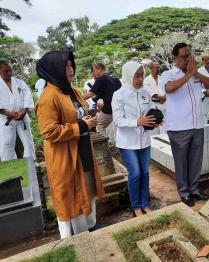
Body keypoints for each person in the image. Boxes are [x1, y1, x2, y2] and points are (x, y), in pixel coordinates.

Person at [35, 51, 104, 238]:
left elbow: (78, 116)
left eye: (71, 64)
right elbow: (48, 131)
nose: (71, 68)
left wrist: (89, 120)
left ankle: (91, 226)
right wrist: (82, 125)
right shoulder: (48, 97)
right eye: (65, 65)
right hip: (65, 156)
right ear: (53, 69)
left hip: (82, 150)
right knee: (72, 197)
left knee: (87, 189)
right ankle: (76, 238)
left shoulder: (72, 91)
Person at [160, 43, 209, 207]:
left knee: (196, 160)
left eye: (189, 55)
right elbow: (169, 89)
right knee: (181, 161)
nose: (187, 59)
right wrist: (188, 75)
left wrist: (195, 72)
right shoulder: (168, 74)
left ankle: (194, 189)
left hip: (197, 124)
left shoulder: (196, 74)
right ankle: (184, 192)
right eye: (183, 56)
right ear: (174, 58)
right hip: (179, 127)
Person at [112, 61, 156, 217]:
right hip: (127, 143)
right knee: (135, 173)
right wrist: (137, 122)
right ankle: (136, 206)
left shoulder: (145, 93)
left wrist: (156, 119)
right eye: (136, 76)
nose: (140, 79)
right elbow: (118, 120)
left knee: (145, 172)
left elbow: (152, 110)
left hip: (144, 140)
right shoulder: (119, 95)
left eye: (142, 75)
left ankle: (145, 203)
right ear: (128, 76)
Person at [0, 60, 36, 161]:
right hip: (5, 119)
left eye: (10, 70)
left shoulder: (20, 83)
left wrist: (24, 111)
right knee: (6, 144)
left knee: (28, 141)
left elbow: (28, 97)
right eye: (6, 71)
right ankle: (9, 168)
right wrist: (8, 113)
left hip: (22, 116)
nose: (9, 73)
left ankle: (32, 163)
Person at [82, 62, 121, 136]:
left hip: (108, 110)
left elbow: (90, 94)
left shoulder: (101, 79)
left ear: (99, 69)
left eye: (93, 71)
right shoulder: (114, 78)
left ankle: (107, 145)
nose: (93, 73)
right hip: (118, 109)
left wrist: (75, 97)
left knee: (99, 126)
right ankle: (110, 143)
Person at [143, 61, 166, 134]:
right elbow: (148, 91)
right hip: (154, 104)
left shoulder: (162, 78)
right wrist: (159, 97)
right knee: (154, 125)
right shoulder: (146, 80)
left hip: (164, 103)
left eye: (159, 67)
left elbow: (167, 88)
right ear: (151, 68)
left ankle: (165, 140)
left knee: (164, 124)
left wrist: (164, 97)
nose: (159, 69)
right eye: (157, 67)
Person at [198, 54, 209, 124]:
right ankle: (203, 132)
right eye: (206, 60)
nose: (208, 61)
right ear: (202, 61)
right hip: (204, 95)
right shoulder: (199, 71)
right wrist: (204, 91)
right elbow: (197, 85)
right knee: (203, 114)